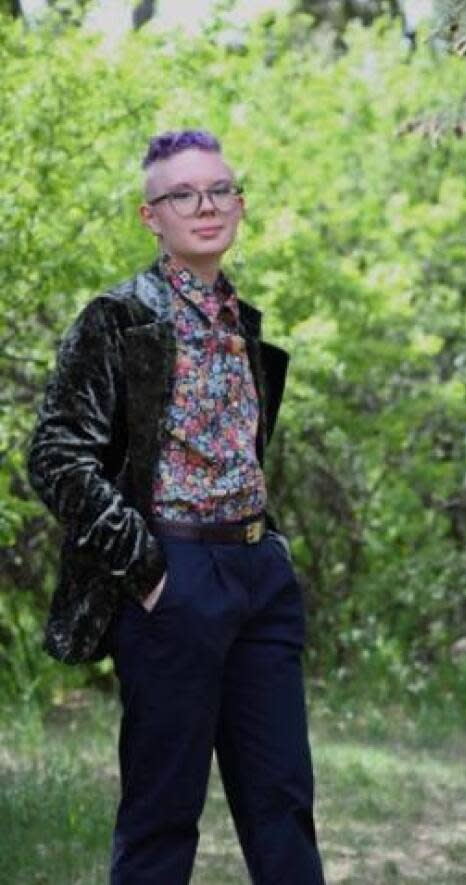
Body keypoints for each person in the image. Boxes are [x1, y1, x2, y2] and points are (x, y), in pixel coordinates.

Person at [27, 130, 325, 883]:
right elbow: (57, 456)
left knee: (283, 802)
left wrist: (273, 549)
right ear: (149, 215)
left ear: (240, 204)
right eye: (182, 194)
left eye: (219, 190)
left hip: (260, 577)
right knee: (163, 812)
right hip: (173, 577)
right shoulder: (118, 319)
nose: (205, 205)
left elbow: (238, 453)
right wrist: (150, 570)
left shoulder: (241, 323)